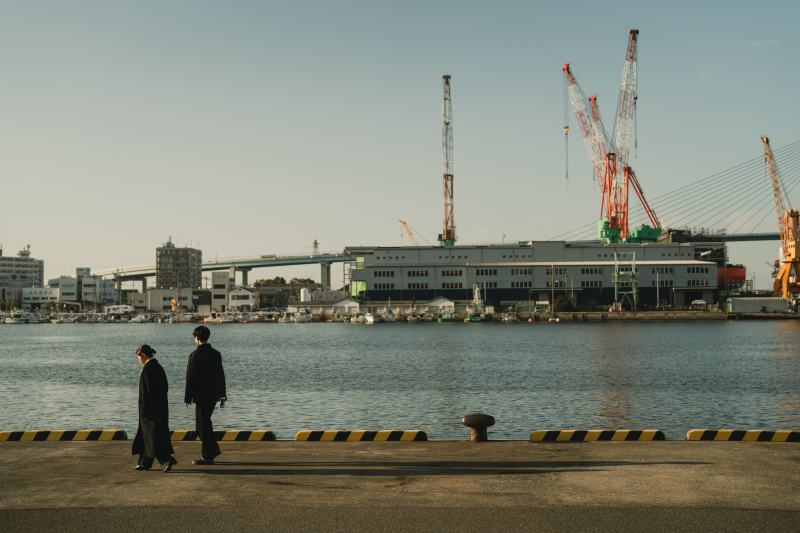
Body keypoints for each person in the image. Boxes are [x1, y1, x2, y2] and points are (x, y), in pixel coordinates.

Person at [131, 345, 178, 472]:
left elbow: (146, 394)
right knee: (147, 437)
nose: (139, 360)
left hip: (150, 410)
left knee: (153, 438)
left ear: (144, 355)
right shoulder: (158, 367)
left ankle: (167, 459)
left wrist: (145, 412)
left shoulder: (147, 369)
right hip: (161, 407)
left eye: (139, 358)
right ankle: (144, 462)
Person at [184, 325, 227, 465]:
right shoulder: (216, 354)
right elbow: (221, 375)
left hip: (201, 396)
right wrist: (222, 393)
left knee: (201, 426)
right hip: (213, 395)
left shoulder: (195, 355)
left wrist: (188, 397)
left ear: (196, 338)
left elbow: (191, 378)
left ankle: (209, 455)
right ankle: (211, 451)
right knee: (206, 424)